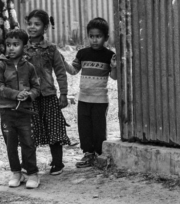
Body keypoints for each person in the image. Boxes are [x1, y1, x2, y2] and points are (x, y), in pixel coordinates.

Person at [64, 17, 117, 168]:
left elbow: (114, 77)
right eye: (92, 36)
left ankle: (100, 155)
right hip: (84, 99)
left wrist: (114, 66)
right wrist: (62, 62)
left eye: (98, 36)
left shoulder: (109, 56)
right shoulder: (82, 54)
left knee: (99, 128)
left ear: (106, 37)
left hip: (100, 99)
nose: (94, 40)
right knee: (84, 128)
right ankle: (88, 154)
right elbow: (73, 71)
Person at [24, 9, 71, 176]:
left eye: (37, 24)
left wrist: (63, 94)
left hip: (49, 95)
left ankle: (57, 163)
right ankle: (29, 165)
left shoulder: (51, 49)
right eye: (29, 24)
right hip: (29, 97)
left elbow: (60, 72)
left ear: (45, 28)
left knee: (54, 129)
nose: (32, 27)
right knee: (29, 130)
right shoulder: (22, 48)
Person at [0, 29, 41, 189]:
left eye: (16, 45)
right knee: (10, 143)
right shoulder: (1, 65)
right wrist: (15, 94)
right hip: (7, 111)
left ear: (24, 46)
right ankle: (16, 172)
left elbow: (36, 88)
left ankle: (32, 173)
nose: (11, 48)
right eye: (8, 45)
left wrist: (29, 95)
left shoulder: (29, 67)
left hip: (25, 112)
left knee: (28, 142)